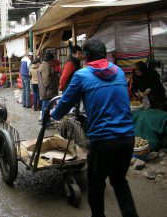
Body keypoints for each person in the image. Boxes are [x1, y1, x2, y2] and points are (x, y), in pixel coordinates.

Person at [51, 39, 139, 217]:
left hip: (103, 140)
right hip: (127, 139)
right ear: (105, 55)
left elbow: (65, 104)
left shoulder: (82, 75)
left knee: (96, 185)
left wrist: (52, 114)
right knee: (119, 181)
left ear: (86, 57)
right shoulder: (120, 72)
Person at [38, 52, 58, 126]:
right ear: (49, 60)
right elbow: (46, 81)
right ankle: (46, 123)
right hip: (47, 92)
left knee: (46, 107)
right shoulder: (45, 66)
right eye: (53, 60)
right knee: (46, 107)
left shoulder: (44, 65)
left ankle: (47, 121)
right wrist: (52, 87)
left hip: (46, 91)